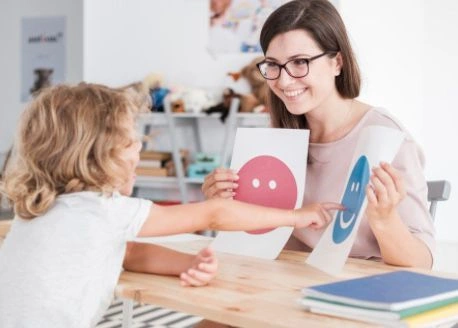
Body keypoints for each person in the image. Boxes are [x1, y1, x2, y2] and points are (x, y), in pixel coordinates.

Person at [0, 83, 341, 328]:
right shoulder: (101, 211)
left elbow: (128, 254)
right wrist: (297, 215)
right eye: (132, 139)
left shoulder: (40, 211)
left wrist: (186, 263)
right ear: (99, 155)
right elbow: (215, 212)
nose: (139, 147)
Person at [202, 0, 434, 269]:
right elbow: (256, 237)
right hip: (284, 282)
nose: (284, 81)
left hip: (358, 289)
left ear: (337, 62)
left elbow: (422, 262)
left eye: (300, 62)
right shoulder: (278, 136)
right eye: (273, 65)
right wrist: (224, 202)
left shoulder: (387, 139)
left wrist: (384, 219)